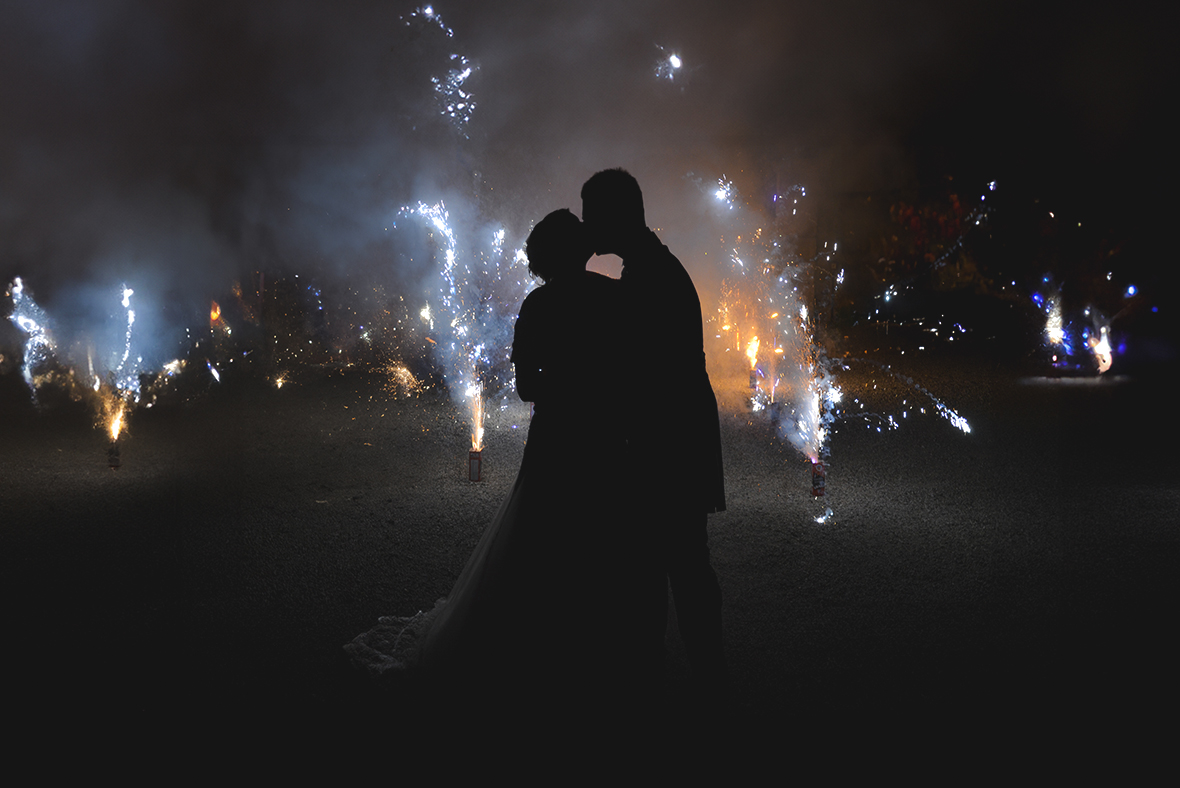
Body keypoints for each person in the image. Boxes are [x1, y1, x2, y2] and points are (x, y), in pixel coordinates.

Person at [346, 209, 646, 717]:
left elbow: (529, 385)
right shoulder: (613, 296)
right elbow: (634, 369)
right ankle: (597, 654)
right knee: (601, 535)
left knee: (543, 533)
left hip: (560, 434)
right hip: (602, 435)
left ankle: (535, 645)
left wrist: (570, 391)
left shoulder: (540, 305)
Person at [581, 168, 728, 700]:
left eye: (590, 212)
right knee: (675, 561)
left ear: (613, 216)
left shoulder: (647, 277)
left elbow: (638, 373)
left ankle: (687, 680)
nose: (584, 224)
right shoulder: (652, 269)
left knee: (668, 565)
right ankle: (692, 676)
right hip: (677, 436)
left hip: (667, 443)